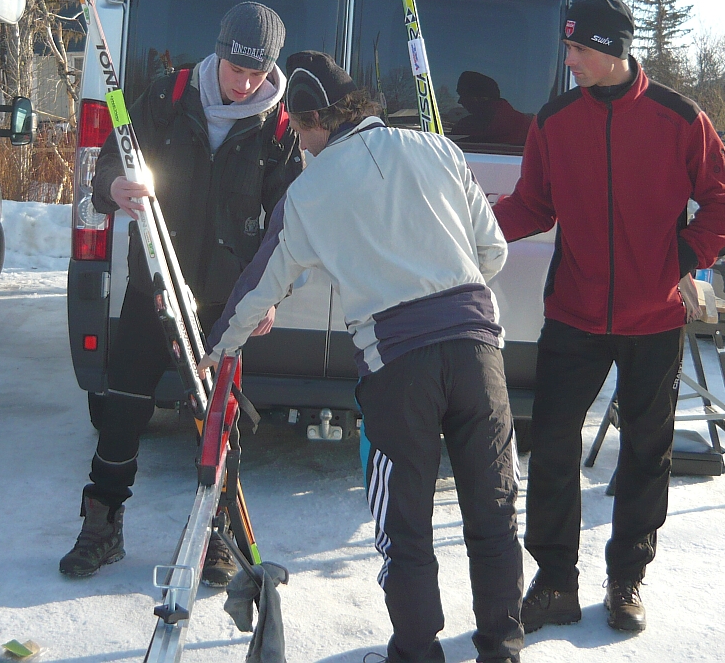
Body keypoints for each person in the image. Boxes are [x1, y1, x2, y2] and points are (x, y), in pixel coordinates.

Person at [200, 51, 524, 663]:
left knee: (406, 524)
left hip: (397, 366)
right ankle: (502, 648)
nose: (299, 144)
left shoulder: (307, 193)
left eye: (298, 129)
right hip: (479, 353)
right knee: (494, 508)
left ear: (313, 119)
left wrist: (217, 349)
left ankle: (416, 652)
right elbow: (494, 252)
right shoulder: (439, 149)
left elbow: (258, 286)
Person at [492, 0, 725, 634]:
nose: (570, 59)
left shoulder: (679, 117)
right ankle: (554, 581)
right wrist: (473, 228)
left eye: (579, 48)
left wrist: (679, 259)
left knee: (646, 451)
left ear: (612, 50)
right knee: (553, 446)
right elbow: (533, 205)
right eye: (568, 46)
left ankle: (627, 578)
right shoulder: (554, 121)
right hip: (573, 314)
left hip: (654, 319)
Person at [59, 2, 302, 582]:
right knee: (122, 407)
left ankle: (216, 533)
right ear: (219, 54)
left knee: (218, 420)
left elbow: (287, 228)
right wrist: (113, 186)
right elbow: (108, 162)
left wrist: (270, 295)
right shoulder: (166, 97)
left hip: (225, 302)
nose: (245, 85)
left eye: (257, 73)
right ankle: (102, 523)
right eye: (237, 70)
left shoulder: (278, 127)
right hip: (155, 284)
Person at [451, 71, 532, 147]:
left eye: (463, 95)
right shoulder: (527, 126)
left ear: (480, 98)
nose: (459, 101)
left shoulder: (467, 127)